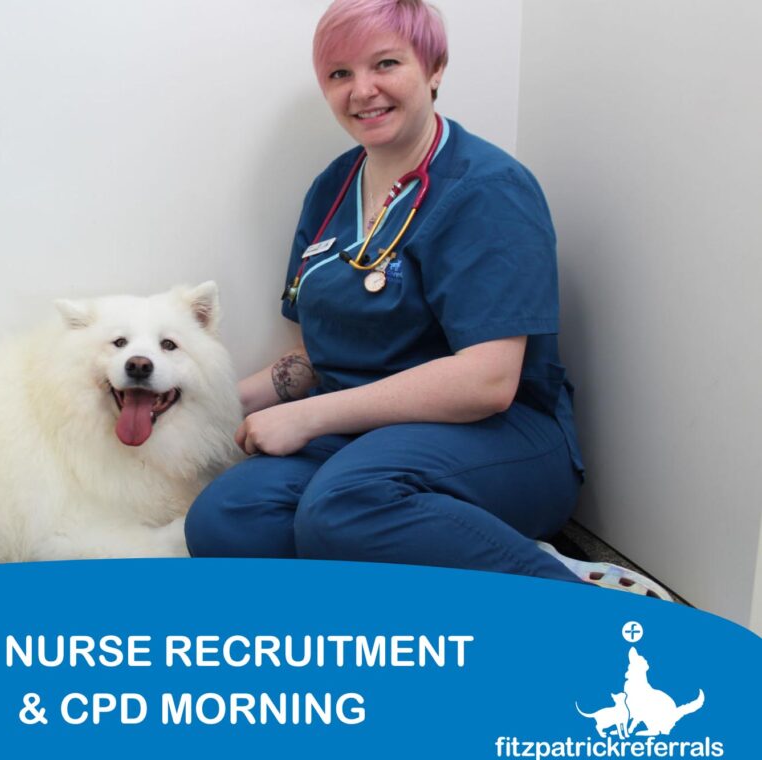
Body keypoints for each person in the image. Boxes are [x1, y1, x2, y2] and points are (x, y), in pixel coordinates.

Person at [184, 0, 669, 598]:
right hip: (362, 440)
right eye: (339, 74)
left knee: (342, 508)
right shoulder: (332, 189)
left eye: (385, 64)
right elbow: (314, 355)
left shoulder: (489, 190)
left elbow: (486, 382)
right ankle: (437, 575)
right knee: (225, 519)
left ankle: (576, 600)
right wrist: (202, 407)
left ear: (434, 69)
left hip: (499, 436)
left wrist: (307, 416)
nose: (362, 90)